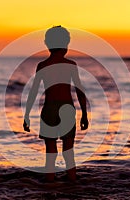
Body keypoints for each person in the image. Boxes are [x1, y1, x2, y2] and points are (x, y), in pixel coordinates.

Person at [23, 26, 88, 182]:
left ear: (47, 43)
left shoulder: (43, 65)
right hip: (67, 108)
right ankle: (72, 183)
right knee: (68, 151)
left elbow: (33, 92)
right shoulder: (70, 64)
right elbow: (79, 90)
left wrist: (26, 115)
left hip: (49, 109)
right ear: (66, 43)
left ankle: (50, 184)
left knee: (51, 151)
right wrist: (84, 114)